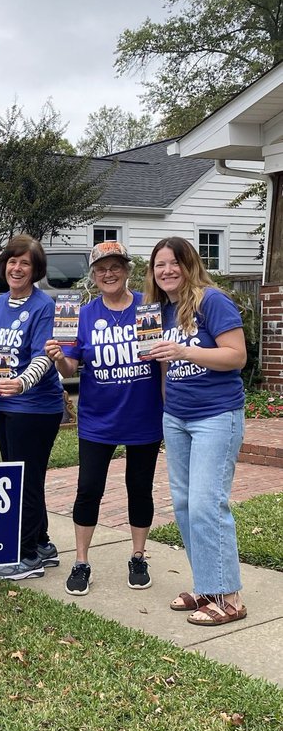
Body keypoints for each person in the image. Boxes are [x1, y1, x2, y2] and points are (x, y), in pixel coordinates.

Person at [45, 241, 163, 596]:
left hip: (143, 415)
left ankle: (138, 556)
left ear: (127, 271)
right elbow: (70, 367)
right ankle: (81, 561)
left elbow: (161, 360)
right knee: (89, 489)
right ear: (93, 275)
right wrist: (58, 357)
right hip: (98, 418)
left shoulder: (148, 307)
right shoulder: (82, 315)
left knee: (139, 488)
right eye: (101, 269)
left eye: (115, 267)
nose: (108, 274)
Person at [144, 236, 248, 626]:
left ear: (190, 265)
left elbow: (236, 356)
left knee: (207, 504)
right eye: (160, 264)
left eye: (175, 263)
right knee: (185, 505)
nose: (167, 270)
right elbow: (164, 368)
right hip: (177, 417)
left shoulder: (211, 301)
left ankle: (230, 598)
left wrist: (185, 351)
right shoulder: (161, 311)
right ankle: (207, 586)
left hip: (216, 415)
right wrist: (167, 407)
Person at [0, 235, 65, 581]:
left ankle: (27, 554)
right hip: (4, 404)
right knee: (20, 478)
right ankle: (42, 543)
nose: (16, 268)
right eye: (12, 261)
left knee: (25, 480)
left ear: (36, 269)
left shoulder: (44, 305)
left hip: (35, 406)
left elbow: (44, 356)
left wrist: (20, 383)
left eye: (25, 263)